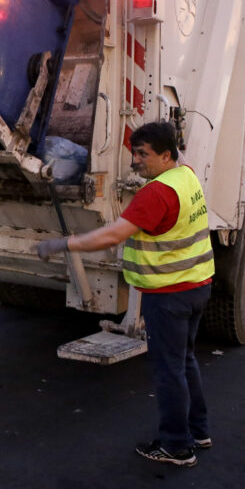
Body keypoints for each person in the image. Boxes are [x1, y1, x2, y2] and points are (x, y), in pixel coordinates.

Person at [34, 121, 214, 467]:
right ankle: (198, 430)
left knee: (169, 370)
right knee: (186, 361)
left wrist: (64, 244)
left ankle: (177, 446)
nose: (135, 162)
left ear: (166, 155)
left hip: (170, 295)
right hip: (196, 286)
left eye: (143, 154)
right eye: (133, 153)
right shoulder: (186, 175)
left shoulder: (156, 193)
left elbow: (111, 236)